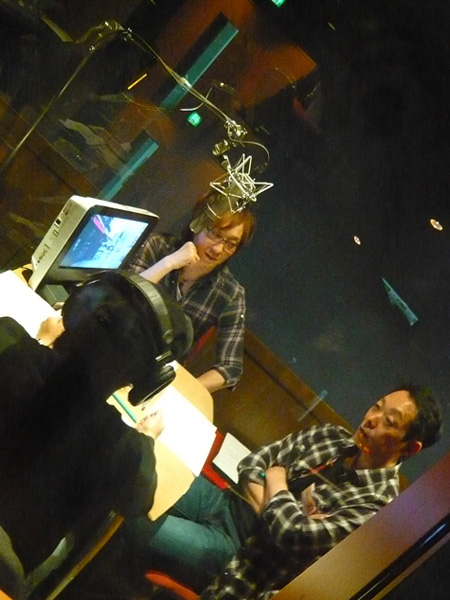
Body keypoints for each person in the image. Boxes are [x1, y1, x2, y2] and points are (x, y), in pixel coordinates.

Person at [123, 384, 442, 599]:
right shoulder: (331, 436)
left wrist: (276, 478)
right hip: (227, 502)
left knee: (135, 525)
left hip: (239, 556)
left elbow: (291, 534)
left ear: (409, 448)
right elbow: (252, 463)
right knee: (135, 476)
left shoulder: (376, 509)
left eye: (390, 421)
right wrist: (278, 510)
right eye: (376, 407)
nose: (371, 419)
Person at [0, 271, 193, 599]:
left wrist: (42, 344)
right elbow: (139, 500)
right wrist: (147, 437)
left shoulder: (9, 345)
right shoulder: (123, 449)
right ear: (147, 383)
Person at [126, 190, 256, 393]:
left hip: (155, 378)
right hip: (118, 347)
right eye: (215, 234)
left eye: (230, 244)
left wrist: (178, 391)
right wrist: (169, 263)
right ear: (198, 223)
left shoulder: (230, 293)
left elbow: (230, 368)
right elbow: (123, 296)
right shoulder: (158, 246)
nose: (218, 249)